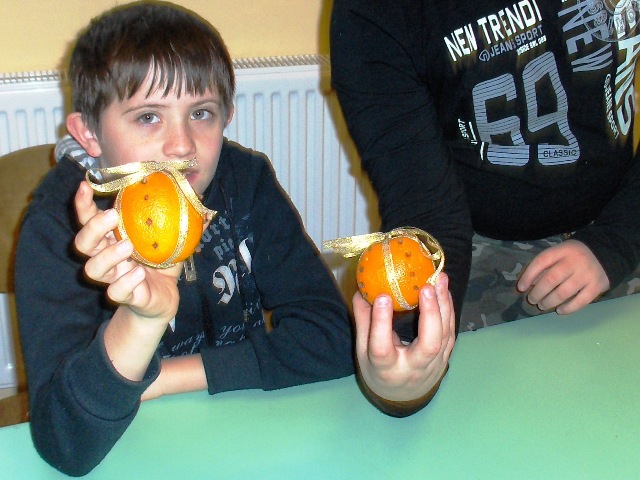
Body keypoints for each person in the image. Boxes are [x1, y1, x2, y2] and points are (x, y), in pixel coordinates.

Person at [14, 2, 355, 475]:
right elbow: (65, 443)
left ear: (227, 115)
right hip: (131, 451)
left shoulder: (245, 181)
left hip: (246, 431)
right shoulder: (61, 226)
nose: (181, 145)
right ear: (89, 134)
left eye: (201, 112)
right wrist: (140, 323)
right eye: (148, 117)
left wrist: (160, 379)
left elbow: (334, 338)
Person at [330, 0, 640, 412]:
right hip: (477, 244)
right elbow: (427, 210)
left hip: (626, 206)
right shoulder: (371, 14)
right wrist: (407, 363)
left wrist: (618, 239)